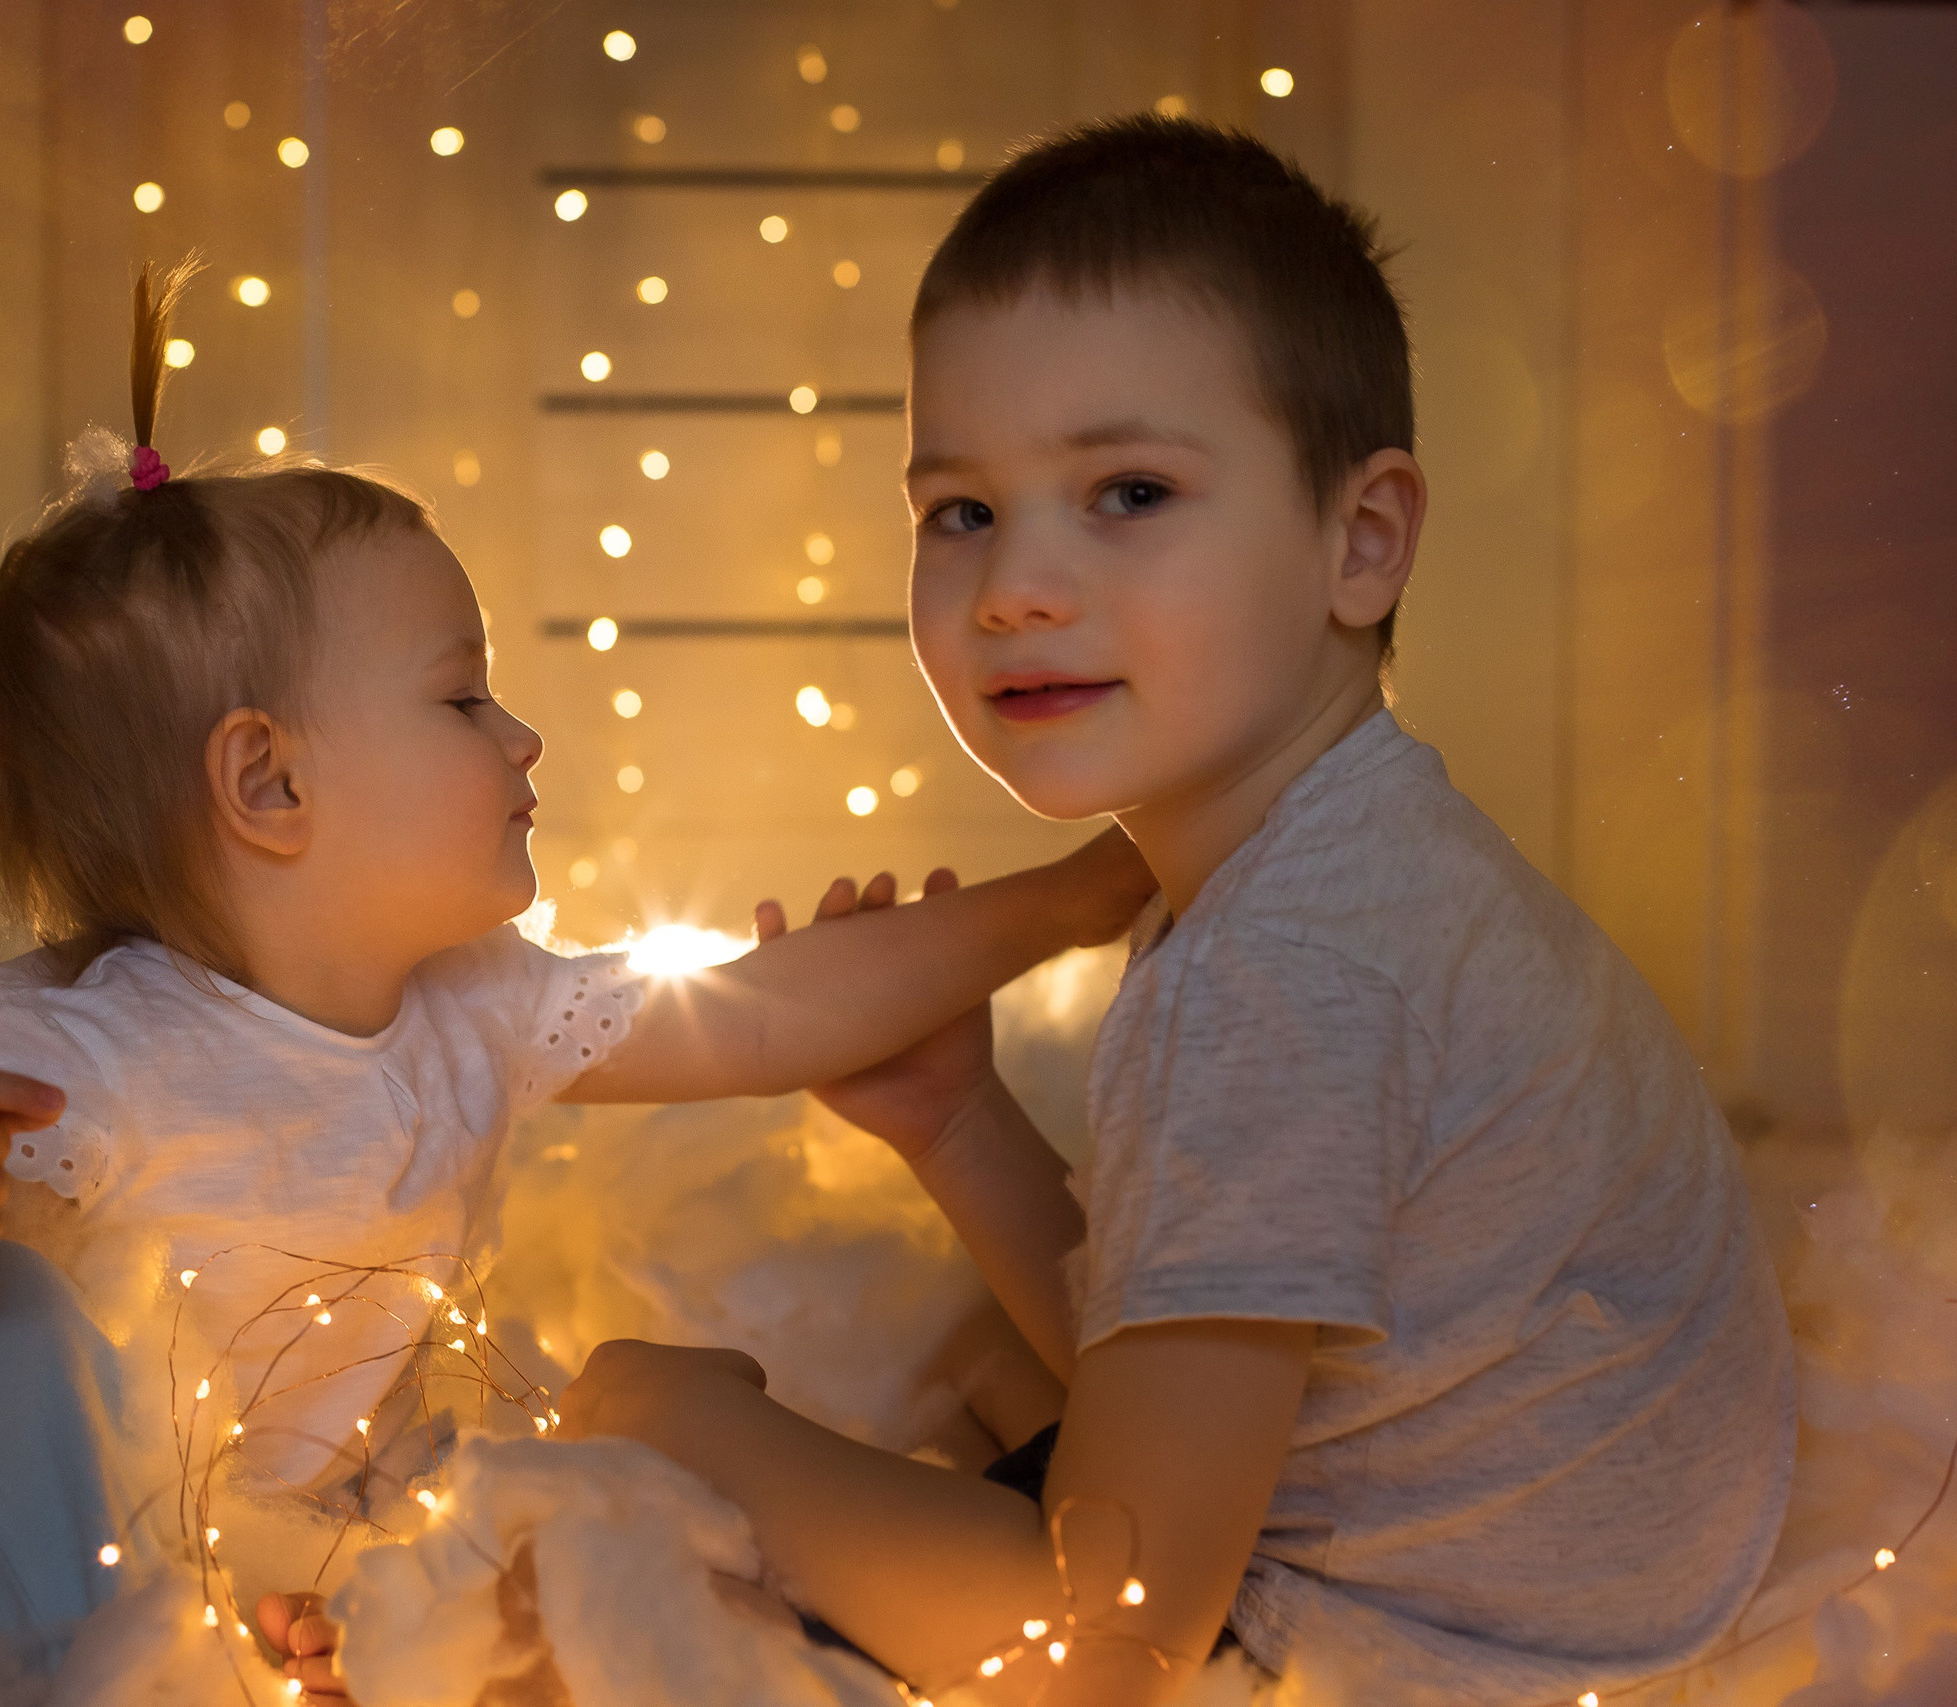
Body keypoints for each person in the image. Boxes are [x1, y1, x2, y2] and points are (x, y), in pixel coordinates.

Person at [0, 260, 1153, 1684]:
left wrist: (1079, 894)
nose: (521, 739)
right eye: (462, 697)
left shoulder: (477, 1005)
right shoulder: (97, 1061)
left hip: (220, 1517)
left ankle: (230, 1635)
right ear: (269, 786)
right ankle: (100, 1672)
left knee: (482, 1499)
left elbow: (776, 1011)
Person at [555, 114, 1797, 1706]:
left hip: (1449, 1643)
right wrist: (953, 1121)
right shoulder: (1332, 852)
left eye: (1127, 491)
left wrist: (675, 1429)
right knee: (984, 1387)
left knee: (662, 1429)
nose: (1015, 587)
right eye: (962, 512)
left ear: (1359, 541)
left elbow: (1106, 1654)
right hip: (1543, 1559)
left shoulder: (1278, 971)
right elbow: (1227, 1328)